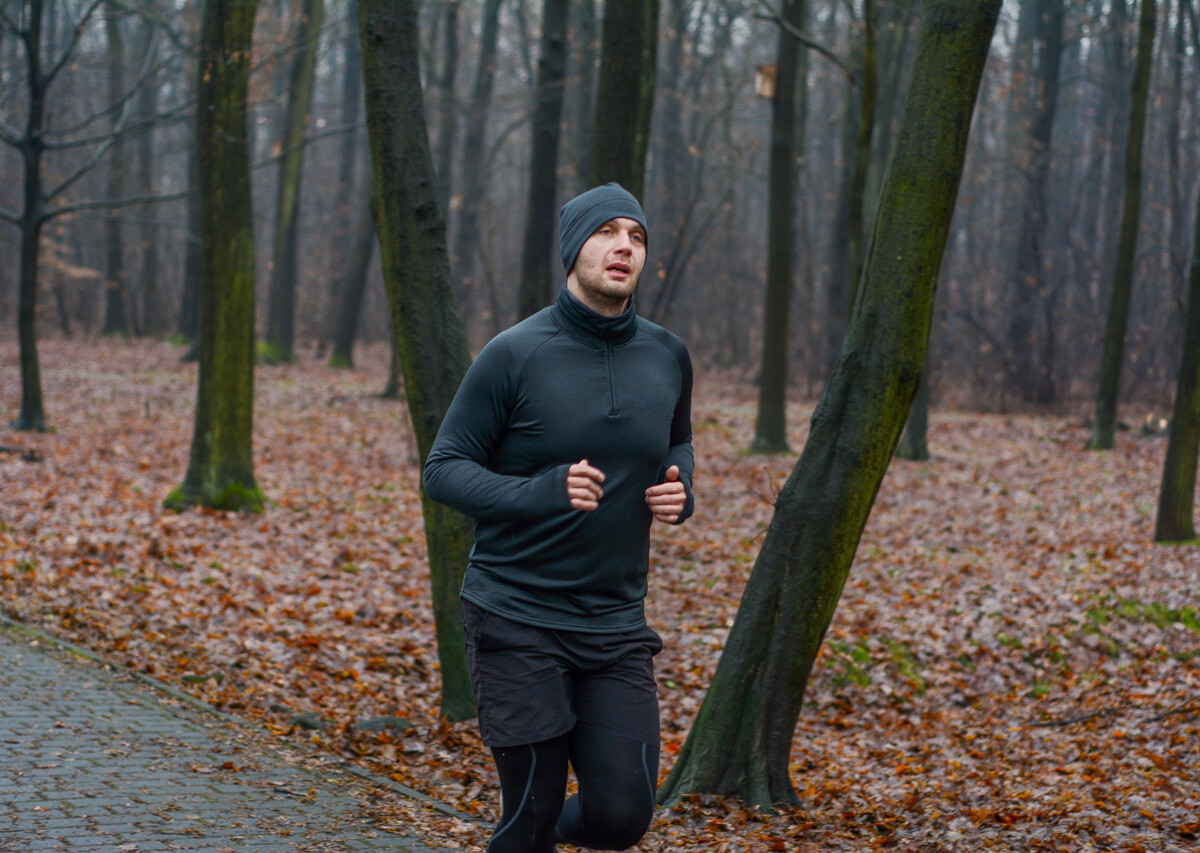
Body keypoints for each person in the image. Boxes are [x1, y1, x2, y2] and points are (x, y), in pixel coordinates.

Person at [423, 182, 695, 852]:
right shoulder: (514, 354)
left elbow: (678, 439)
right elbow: (444, 469)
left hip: (614, 623)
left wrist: (681, 486)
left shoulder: (667, 354)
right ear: (574, 249)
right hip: (517, 614)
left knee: (621, 814)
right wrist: (540, 490)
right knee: (532, 818)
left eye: (636, 236)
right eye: (606, 232)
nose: (623, 247)